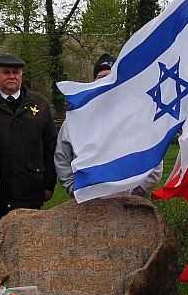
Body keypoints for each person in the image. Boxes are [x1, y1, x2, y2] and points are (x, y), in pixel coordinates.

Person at [0, 54, 56, 272]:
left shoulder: (39, 104)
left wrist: (48, 184)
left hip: (28, 187)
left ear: (21, 75)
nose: (11, 76)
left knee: (27, 247)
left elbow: (50, 147)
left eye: (15, 72)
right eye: (6, 72)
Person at [55, 53, 162, 197]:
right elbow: (62, 157)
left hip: (126, 202)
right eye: (101, 77)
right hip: (87, 202)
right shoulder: (76, 119)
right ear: (93, 81)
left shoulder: (136, 117)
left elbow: (154, 157)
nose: (106, 82)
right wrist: (73, 189)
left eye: (111, 77)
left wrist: (135, 194)